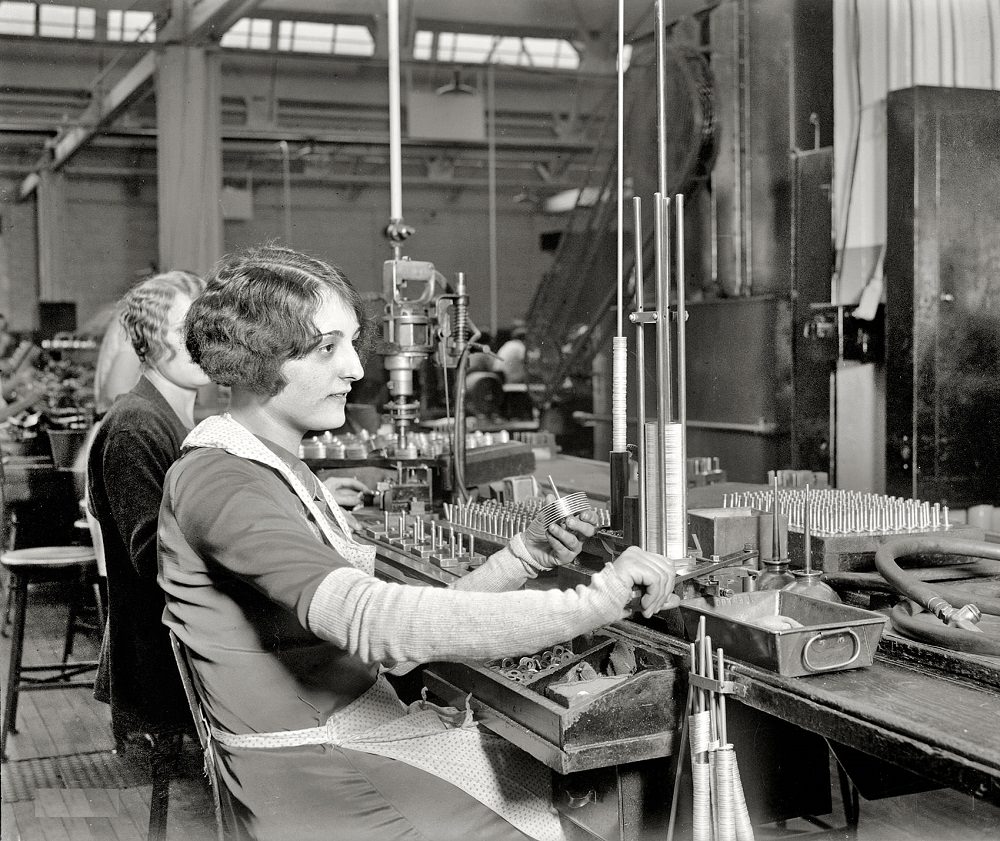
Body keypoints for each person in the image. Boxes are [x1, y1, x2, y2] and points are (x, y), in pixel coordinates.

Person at [157, 244, 676, 841]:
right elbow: (375, 622)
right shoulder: (224, 482)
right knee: (577, 819)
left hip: (346, 740)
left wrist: (523, 557)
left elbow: (389, 651)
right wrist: (600, 600)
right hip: (319, 777)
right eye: (327, 348)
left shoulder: (275, 466)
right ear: (256, 355)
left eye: (352, 344)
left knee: (575, 805)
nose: (355, 369)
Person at [87, 270, 211, 745]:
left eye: (208, 329)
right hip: (162, 659)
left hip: (186, 634)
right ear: (148, 339)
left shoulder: (176, 418)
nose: (202, 343)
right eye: (185, 331)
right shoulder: (135, 426)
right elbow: (152, 557)